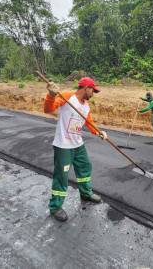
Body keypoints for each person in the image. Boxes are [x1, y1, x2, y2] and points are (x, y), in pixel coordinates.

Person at [43, 77, 108, 222]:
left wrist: (99, 132)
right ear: (86, 88)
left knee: (85, 167)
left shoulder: (86, 106)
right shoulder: (67, 96)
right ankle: (55, 207)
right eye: (93, 91)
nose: (93, 94)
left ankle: (85, 193)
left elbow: (89, 123)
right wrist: (51, 95)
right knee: (61, 177)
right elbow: (48, 109)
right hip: (64, 146)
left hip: (78, 144)